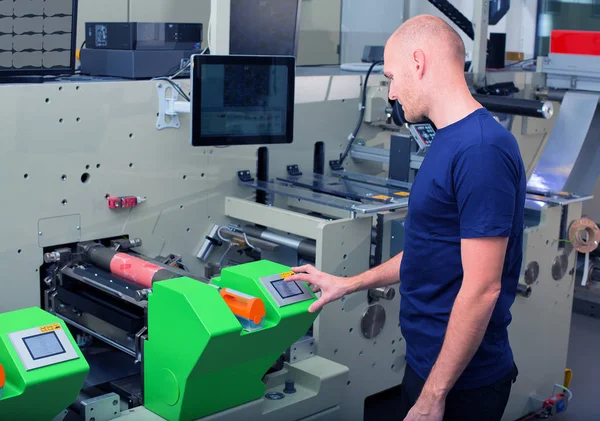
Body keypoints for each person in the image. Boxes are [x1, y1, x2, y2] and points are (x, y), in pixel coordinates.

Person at [285, 14, 526, 421]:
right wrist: (347, 284)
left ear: (419, 62)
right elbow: (429, 251)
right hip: (430, 364)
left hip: (462, 384)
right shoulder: (449, 140)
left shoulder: (480, 149)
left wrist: (434, 396)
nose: (392, 92)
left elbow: (483, 289)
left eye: (393, 77)